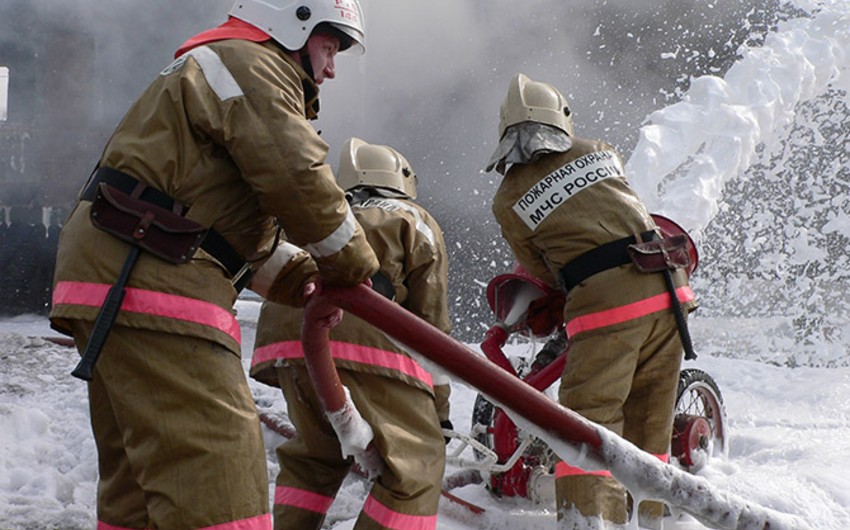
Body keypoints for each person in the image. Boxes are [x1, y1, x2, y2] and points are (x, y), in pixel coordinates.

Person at [48, 1, 379, 529]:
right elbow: (295, 175)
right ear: (293, 21)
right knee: (218, 476)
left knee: (138, 489)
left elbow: (216, 224)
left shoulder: (213, 70)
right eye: (330, 46)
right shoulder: (252, 63)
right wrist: (353, 264)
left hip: (123, 266)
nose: (332, 67)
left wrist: (299, 277)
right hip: (152, 273)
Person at [486, 73, 698, 530]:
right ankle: (650, 520)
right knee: (650, 422)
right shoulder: (600, 151)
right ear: (560, 120)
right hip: (670, 286)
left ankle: (587, 523)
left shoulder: (507, 198)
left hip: (609, 304)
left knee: (587, 426)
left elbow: (542, 269)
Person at [250, 137, 452, 530]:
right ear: (401, 180)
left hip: (287, 344)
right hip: (357, 342)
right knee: (414, 471)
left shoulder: (317, 214)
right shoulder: (413, 218)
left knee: (312, 459)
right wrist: (439, 413)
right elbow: (432, 325)